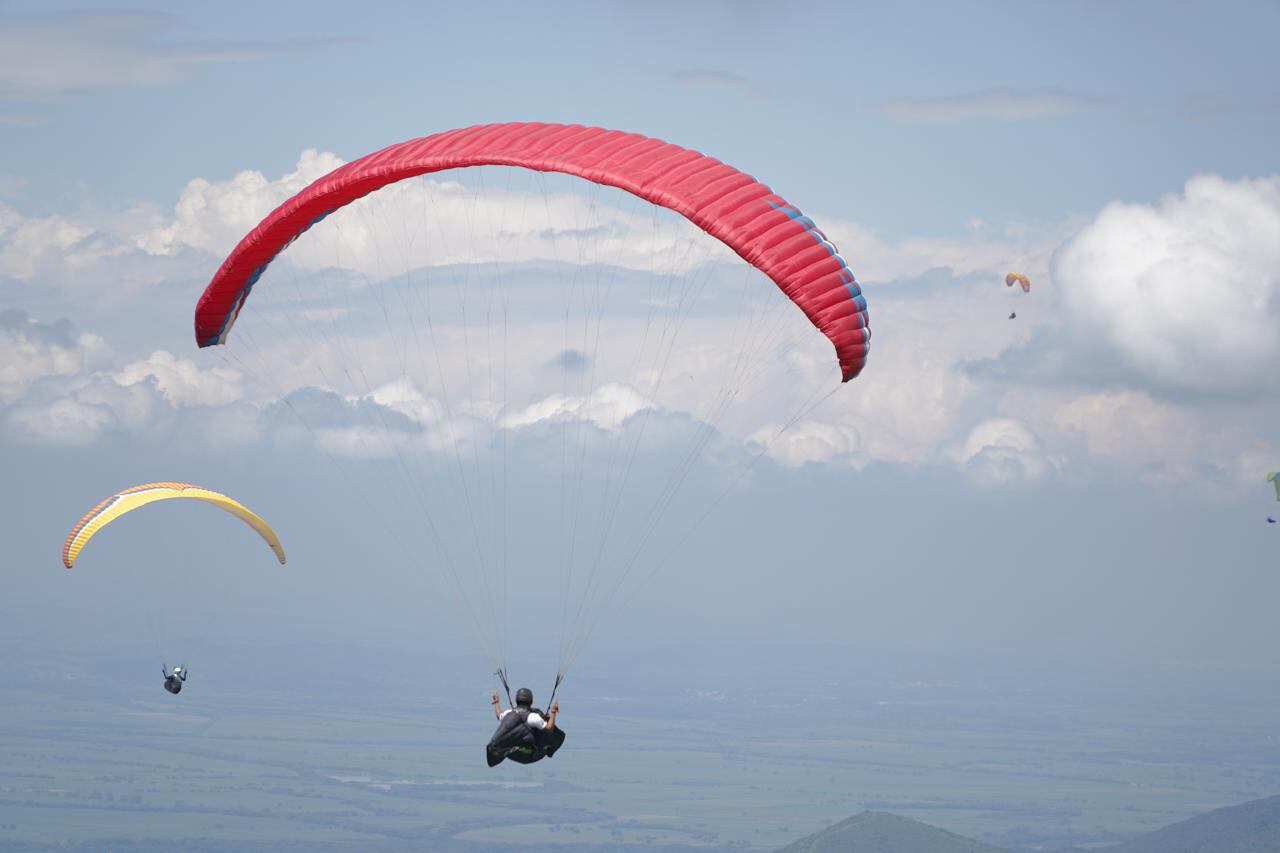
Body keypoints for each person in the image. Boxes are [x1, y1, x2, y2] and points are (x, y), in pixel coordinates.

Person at [486, 687, 565, 766]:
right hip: (529, 755)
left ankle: (516, 747)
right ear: (531, 701)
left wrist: (496, 702)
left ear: (517, 700)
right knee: (543, 738)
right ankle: (522, 747)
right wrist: (553, 712)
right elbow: (549, 729)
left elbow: (499, 715)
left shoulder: (509, 713)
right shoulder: (533, 717)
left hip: (511, 753)